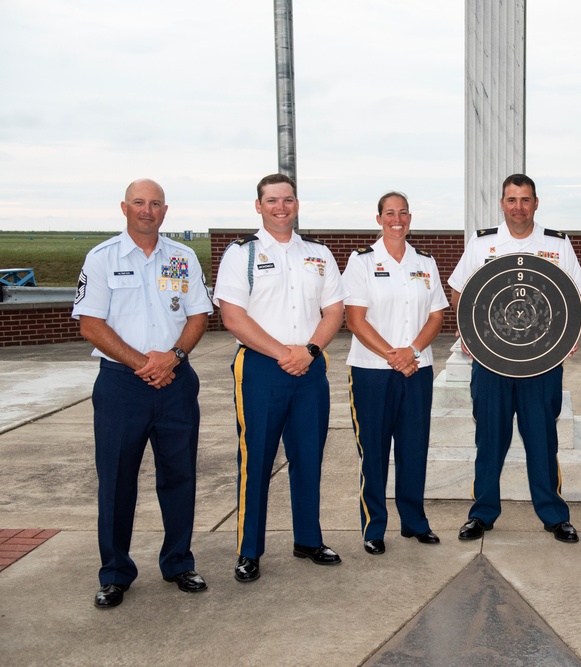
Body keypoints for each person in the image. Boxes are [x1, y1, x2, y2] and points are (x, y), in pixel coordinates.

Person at [73, 179, 213, 608]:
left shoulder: (183, 257)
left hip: (175, 383)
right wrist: (144, 364)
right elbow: (90, 325)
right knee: (116, 480)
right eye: (139, 203)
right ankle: (115, 573)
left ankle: (178, 562)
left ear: (165, 211)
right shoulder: (101, 259)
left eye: (155, 204)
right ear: (124, 208)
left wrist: (171, 357)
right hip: (121, 387)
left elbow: (198, 316)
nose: (147, 210)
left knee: (180, 477)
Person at [213, 173, 346, 583]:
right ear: (259, 206)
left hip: (309, 367)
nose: (280, 207)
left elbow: (334, 311)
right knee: (257, 461)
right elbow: (233, 316)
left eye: (287, 199)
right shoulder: (241, 254)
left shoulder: (319, 253)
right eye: (272, 200)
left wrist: (307, 352)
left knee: (308, 457)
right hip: (260, 369)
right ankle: (249, 550)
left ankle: (308, 539)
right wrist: (282, 353)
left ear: (297, 204)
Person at [448, 173, 581, 543]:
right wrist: (469, 333)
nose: (518, 207)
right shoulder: (482, 244)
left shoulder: (557, 243)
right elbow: (460, 293)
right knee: (489, 439)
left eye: (525, 200)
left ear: (536, 203)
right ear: (502, 204)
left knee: (542, 440)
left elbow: (576, 296)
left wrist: (567, 333)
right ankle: (482, 514)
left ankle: (554, 516)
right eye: (512, 200)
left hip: (541, 364)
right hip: (492, 363)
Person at [342, 192, 448, 555]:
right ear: (379, 219)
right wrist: (394, 355)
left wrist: (412, 352)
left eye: (403, 213)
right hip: (373, 371)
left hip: (417, 369)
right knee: (373, 451)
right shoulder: (362, 262)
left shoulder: (425, 262)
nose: (396, 219)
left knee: (413, 449)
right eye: (390, 213)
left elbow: (437, 315)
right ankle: (374, 526)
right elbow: (355, 320)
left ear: (410, 217)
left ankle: (414, 522)